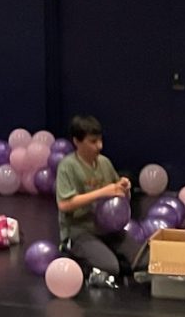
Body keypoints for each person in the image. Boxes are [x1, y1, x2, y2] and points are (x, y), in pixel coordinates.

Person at [56, 114, 137, 286]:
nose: (99, 146)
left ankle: (110, 254)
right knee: (112, 267)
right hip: (80, 230)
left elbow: (117, 194)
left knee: (142, 260)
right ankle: (72, 251)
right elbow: (64, 204)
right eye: (93, 142)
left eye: (100, 140)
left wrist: (124, 188)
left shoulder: (104, 163)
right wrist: (102, 192)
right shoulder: (68, 166)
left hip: (108, 228)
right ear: (77, 142)